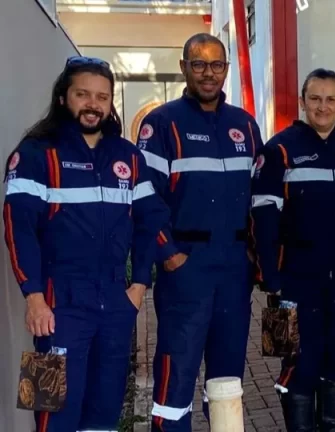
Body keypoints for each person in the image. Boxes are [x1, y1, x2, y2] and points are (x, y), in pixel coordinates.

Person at [3, 56, 171, 431]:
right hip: (56, 305)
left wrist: (139, 285)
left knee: (105, 411)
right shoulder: (33, 153)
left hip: (115, 303)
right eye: (83, 94)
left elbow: (149, 221)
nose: (93, 104)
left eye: (102, 96)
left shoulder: (127, 155)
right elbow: (17, 229)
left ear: (111, 103)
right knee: (50, 410)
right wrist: (33, 297)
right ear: (64, 97)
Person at [137, 33, 263, 431]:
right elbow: (143, 197)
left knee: (227, 378)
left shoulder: (243, 124)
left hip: (233, 267)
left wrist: (257, 257)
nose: (209, 73)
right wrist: (169, 254)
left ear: (226, 70)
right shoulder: (162, 123)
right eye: (199, 64)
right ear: (184, 68)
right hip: (186, 267)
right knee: (178, 370)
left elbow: (260, 195)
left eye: (217, 65)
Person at [250, 68, 335, 432]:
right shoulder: (279, 150)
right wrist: (271, 276)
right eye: (314, 98)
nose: (322, 106)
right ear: (302, 102)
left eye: (331, 98)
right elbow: (262, 218)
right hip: (296, 280)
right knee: (301, 363)